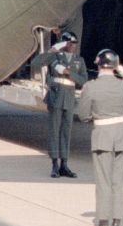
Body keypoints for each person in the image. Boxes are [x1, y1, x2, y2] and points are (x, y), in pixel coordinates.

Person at [77, 50, 123, 226]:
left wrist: (94, 118)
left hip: (102, 137)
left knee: (104, 182)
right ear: (116, 67)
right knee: (119, 182)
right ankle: (117, 224)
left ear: (98, 65)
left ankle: (103, 224)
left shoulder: (91, 87)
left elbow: (83, 115)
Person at [30, 30, 87, 178]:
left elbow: (84, 80)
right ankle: (54, 164)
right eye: (70, 43)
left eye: (74, 43)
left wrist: (70, 74)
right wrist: (52, 50)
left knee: (66, 132)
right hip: (56, 96)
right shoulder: (55, 56)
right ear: (64, 43)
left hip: (69, 97)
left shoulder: (79, 60)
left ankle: (64, 165)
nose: (73, 46)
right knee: (54, 131)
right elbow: (36, 63)